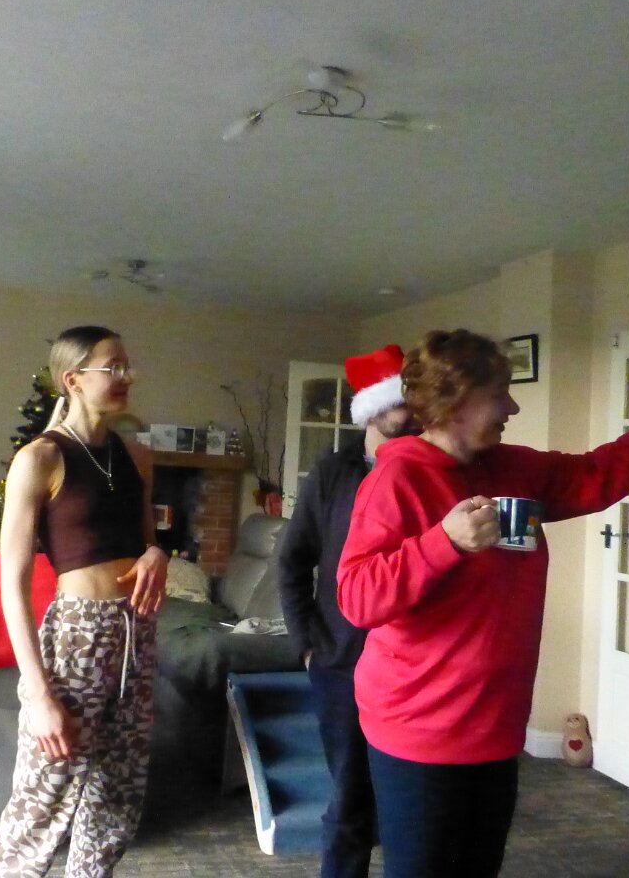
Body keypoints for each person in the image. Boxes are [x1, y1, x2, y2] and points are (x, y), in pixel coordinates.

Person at [337, 328, 629, 878]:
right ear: (456, 401)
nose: (512, 408)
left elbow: (599, 474)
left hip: (496, 723)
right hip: (419, 730)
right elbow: (357, 597)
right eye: (500, 395)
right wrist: (443, 543)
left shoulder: (511, 467)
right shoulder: (398, 478)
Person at [0, 325, 168, 878]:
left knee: (116, 800)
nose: (126, 376)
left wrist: (158, 553)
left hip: (137, 634)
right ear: (74, 379)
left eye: (127, 365)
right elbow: (12, 583)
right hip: (77, 635)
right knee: (43, 797)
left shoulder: (138, 457)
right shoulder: (40, 458)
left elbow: (147, 541)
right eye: (113, 367)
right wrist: (37, 692)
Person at [278, 343, 417, 878]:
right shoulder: (332, 472)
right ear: (375, 409)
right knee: (351, 794)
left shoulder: (426, 470)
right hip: (342, 663)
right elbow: (293, 561)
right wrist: (307, 645)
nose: (413, 412)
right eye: (403, 402)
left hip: (413, 664)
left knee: (408, 798)